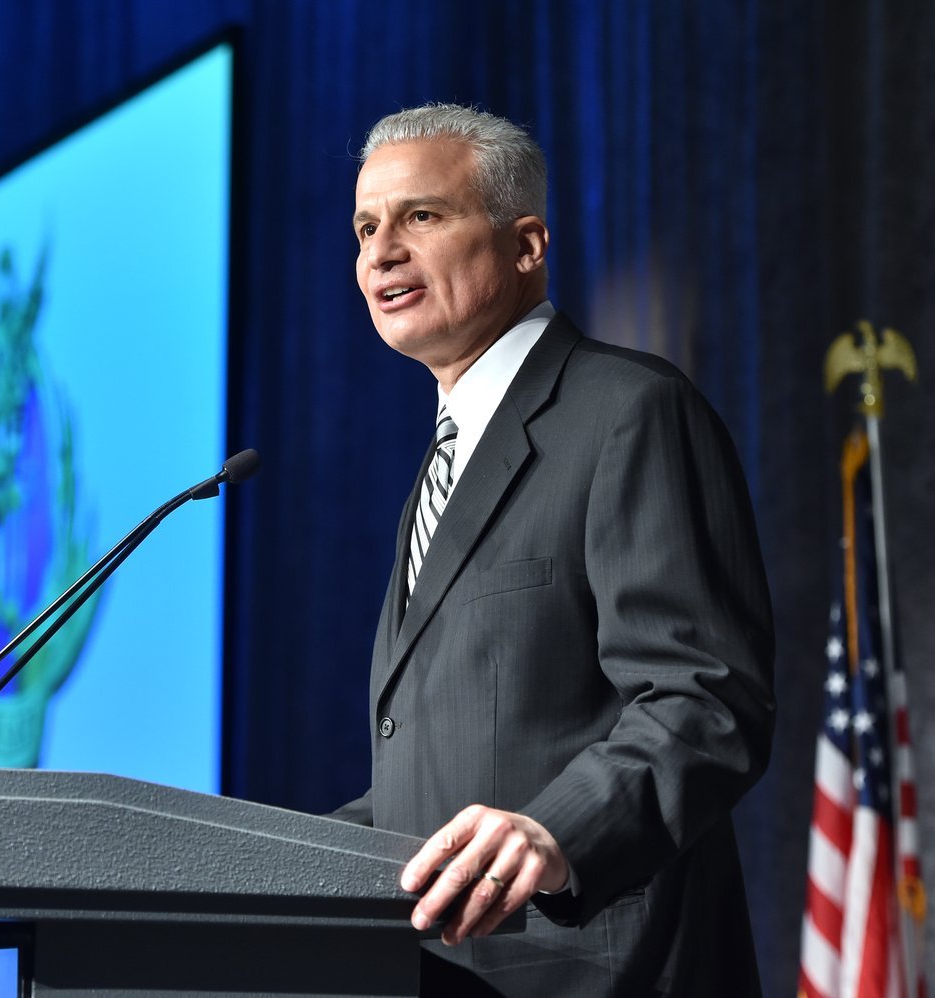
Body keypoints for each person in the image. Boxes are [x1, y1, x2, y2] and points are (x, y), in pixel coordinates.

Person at [329, 103, 777, 997]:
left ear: (526, 245)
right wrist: (246, 860)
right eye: (366, 227)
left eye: (421, 216)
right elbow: (443, 773)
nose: (381, 253)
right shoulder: (442, 464)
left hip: (599, 971)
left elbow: (704, 700)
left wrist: (557, 832)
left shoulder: (627, 411)